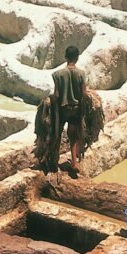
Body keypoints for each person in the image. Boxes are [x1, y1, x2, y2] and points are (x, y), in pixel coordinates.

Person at [36, 45, 87, 174]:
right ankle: (74, 163)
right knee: (73, 136)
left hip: (62, 110)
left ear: (65, 57)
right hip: (75, 110)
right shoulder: (81, 74)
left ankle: (53, 161)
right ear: (77, 58)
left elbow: (57, 95)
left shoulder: (58, 74)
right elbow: (84, 94)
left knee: (56, 134)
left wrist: (49, 100)